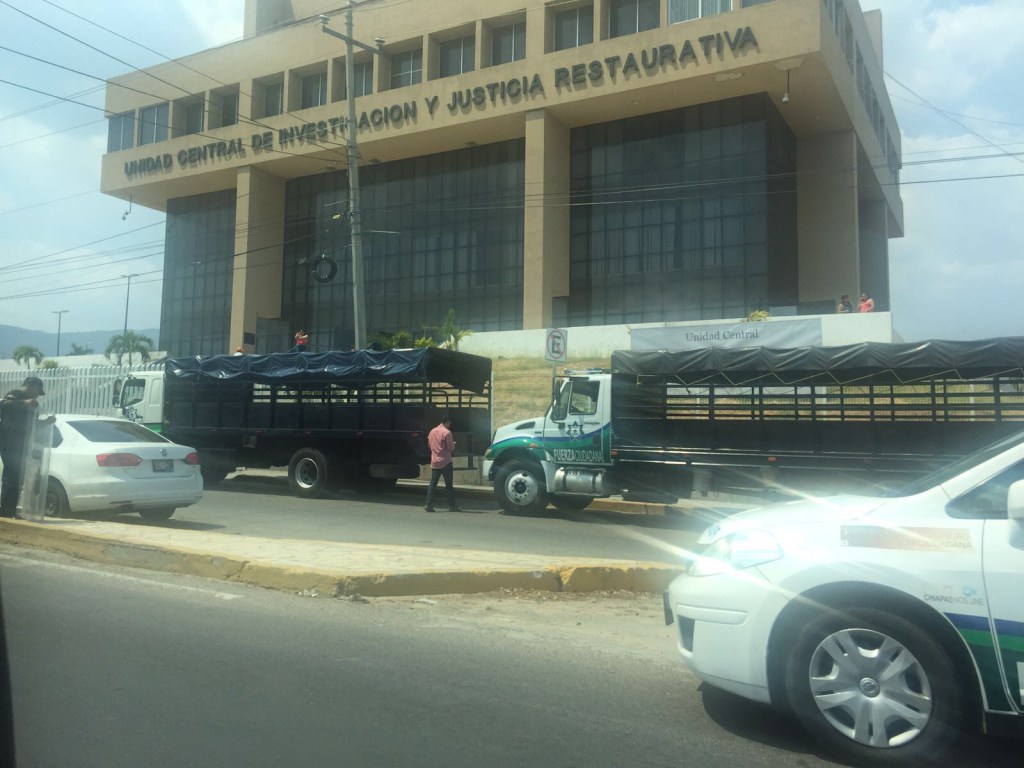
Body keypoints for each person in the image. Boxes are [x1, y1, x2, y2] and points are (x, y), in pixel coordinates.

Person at [0, 376, 55, 518]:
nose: (37, 396)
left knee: (18, 478)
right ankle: (5, 511)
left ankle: (10, 509)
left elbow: (32, 425)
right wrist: (25, 402)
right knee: (11, 477)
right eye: (37, 392)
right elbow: (4, 404)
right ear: (34, 387)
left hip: (21, 445)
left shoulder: (29, 403)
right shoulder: (16, 395)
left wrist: (46, 422)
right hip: (9, 442)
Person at [424, 415, 461, 512]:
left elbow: (429, 445)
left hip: (435, 461)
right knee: (449, 485)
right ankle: (452, 506)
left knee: (433, 484)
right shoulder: (447, 432)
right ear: (447, 422)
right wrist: (454, 444)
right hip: (446, 462)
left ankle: (428, 504)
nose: (449, 425)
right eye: (449, 424)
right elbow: (450, 448)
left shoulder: (432, 431)